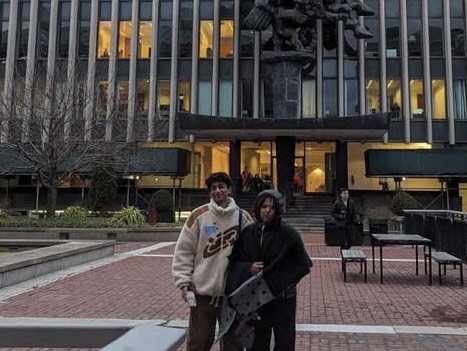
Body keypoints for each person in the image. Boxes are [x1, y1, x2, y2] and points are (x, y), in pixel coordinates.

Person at [219, 189, 312, 350]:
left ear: (278, 210)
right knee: (258, 340)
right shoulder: (249, 233)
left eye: (272, 207)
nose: (267, 211)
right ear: (258, 208)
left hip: (283, 298)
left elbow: (301, 264)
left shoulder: (289, 234)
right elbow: (236, 260)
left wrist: (280, 283)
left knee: (284, 339)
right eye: (264, 207)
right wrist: (249, 268)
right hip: (257, 298)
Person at [172, 172, 253, 351]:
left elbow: (253, 252)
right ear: (210, 192)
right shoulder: (199, 216)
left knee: (234, 343)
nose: (218, 191)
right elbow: (185, 251)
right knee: (198, 341)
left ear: (229, 189)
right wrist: (183, 280)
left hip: (232, 293)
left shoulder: (243, 218)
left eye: (221, 187)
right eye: (214, 188)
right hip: (203, 292)